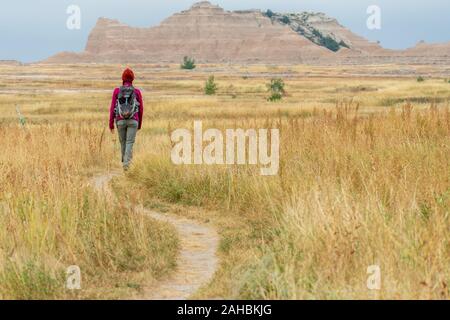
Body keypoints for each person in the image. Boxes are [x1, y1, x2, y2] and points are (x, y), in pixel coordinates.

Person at [109, 68, 144, 171]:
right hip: (133, 120)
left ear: (123, 78)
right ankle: (127, 164)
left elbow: (112, 108)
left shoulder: (117, 91)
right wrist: (139, 123)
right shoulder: (136, 91)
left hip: (120, 120)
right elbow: (141, 108)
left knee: (123, 142)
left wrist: (111, 124)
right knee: (129, 142)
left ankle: (125, 163)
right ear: (132, 79)